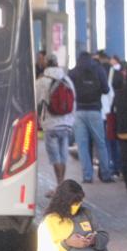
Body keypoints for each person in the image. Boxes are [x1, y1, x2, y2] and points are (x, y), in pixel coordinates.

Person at [69, 51, 114, 183]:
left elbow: (69, 90)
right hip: (95, 110)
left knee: (82, 146)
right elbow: (106, 90)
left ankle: (87, 176)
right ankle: (106, 175)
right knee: (100, 144)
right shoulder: (98, 69)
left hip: (79, 112)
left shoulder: (73, 72)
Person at [35, 54, 76, 195]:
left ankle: (59, 187)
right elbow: (73, 101)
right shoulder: (67, 80)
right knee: (63, 155)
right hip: (66, 124)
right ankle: (61, 185)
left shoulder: (42, 81)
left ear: (46, 64)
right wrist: (71, 121)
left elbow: (36, 101)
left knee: (55, 157)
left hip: (51, 124)